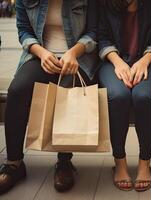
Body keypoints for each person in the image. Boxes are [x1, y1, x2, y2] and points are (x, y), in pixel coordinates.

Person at [0, 0, 98, 194]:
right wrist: (42, 53)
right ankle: (14, 163)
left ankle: (64, 161)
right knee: (17, 90)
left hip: (77, 57)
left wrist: (73, 52)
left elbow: (94, 33)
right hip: (40, 57)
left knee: (68, 87)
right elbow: (24, 30)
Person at [98, 0, 151, 192]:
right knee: (119, 97)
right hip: (113, 61)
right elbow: (101, 37)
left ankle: (145, 163)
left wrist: (145, 60)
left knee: (143, 97)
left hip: (148, 61)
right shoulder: (106, 4)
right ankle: (120, 162)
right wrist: (117, 62)